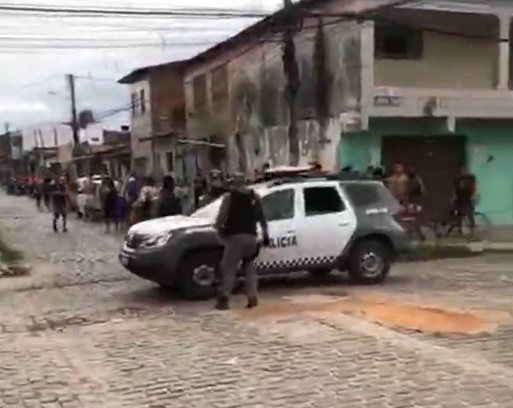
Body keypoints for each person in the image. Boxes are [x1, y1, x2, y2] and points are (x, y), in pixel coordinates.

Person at [214, 172, 270, 311]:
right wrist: (265, 234)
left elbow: (221, 218)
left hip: (235, 238)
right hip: (251, 238)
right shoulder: (254, 197)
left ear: (234, 184)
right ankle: (252, 296)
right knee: (249, 268)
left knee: (228, 268)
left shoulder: (229, 198)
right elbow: (262, 219)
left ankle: (224, 299)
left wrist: (219, 230)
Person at [452, 167, 478, 236]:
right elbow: (455, 190)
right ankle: (459, 230)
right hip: (459, 199)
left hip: (468, 199)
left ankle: (472, 231)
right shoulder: (458, 179)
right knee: (457, 214)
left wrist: (475, 196)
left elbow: (474, 187)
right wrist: (453, 197)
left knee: (470, 215)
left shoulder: (470, 179)